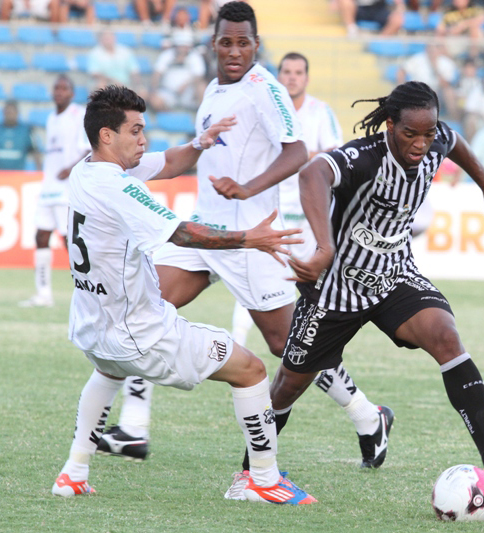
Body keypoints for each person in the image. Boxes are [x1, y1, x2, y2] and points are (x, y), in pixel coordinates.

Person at [100, 3, 392, 475]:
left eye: (243, 42)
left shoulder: (265, 90)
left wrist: (248, 188)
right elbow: (194, 158)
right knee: (144, 306)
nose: (234, 51)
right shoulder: (215, 89)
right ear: (213, 44)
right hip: (205, 230)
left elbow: (297, 152)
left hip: (252, 238)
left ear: (256, 45)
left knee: (288, 344)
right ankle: (133, 426)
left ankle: (367, 415)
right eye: (225, 41)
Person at [228, 81, 484, 498]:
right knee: (289, 385)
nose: (421, 143)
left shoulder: (436, 138)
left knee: (446, 336)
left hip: (392, 276)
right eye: (410, 134)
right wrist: (324, 245)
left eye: (428, 133)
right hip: (335, 287)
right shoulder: (365, 158)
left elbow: (455, 141)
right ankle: (252, 475)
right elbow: (312, 172)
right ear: (390, 124)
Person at [50, 84, 315, 505]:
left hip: (92, 329)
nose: (144, 139)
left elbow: (171, 162)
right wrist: (250, 237)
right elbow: (183, 232)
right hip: (140, 332)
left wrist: (200, 142)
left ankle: (73, 472)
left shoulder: (89, 169)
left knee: (109, 370)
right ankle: (263, 481)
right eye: (136, 131)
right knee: (251, 370)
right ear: (107, 135)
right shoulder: (118, 186)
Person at [230, 51, 345, 345]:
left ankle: (311, 347)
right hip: (269, 211)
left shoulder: (321, 111)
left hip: (309, 216)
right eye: (287, 72)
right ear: (278, 76)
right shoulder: (265, 109)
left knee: (309, 284)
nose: (292, 77)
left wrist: (304, 157)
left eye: (298, 72)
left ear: (306, 78)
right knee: (258, 278)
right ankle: (239, 340)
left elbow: (336, 155)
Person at [19, 76, 89, 308]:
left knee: (69, 239)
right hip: (49, 186)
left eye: (64, 89)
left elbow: (89, 147)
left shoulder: (78, 115)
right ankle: (43, 294)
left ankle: (87, 292)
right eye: (56, 88)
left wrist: (70, 168)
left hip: (66, 188)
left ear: (72, 93)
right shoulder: (51, 118)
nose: (59, 92)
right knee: (40, 236)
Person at [149, 30, 207, 111]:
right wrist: (153, 91)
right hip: (167, 92)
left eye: (185, 46)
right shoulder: (166, 55)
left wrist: (186, 84)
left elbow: (199, 76)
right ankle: (170, 118)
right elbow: (157, 74)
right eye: (181, 46)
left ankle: (201, 116)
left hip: (189, 93)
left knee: (202, 87)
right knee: (155, 101)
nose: (183, 49)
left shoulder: (195, 56)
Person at [0, 100, 41, 171]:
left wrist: (39, 171)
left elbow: (35, 151)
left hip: (18, 175)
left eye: (11, 112)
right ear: (3, 113)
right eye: (7, 112)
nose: (9, 115)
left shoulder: (26, 130)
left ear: (17, 113)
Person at [337, 0, 405, 37]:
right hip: (359, 8)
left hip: (379, 9)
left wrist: (399, 5)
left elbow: (399, 4)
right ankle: (352, 30)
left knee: (397, 19)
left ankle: (378, 42)